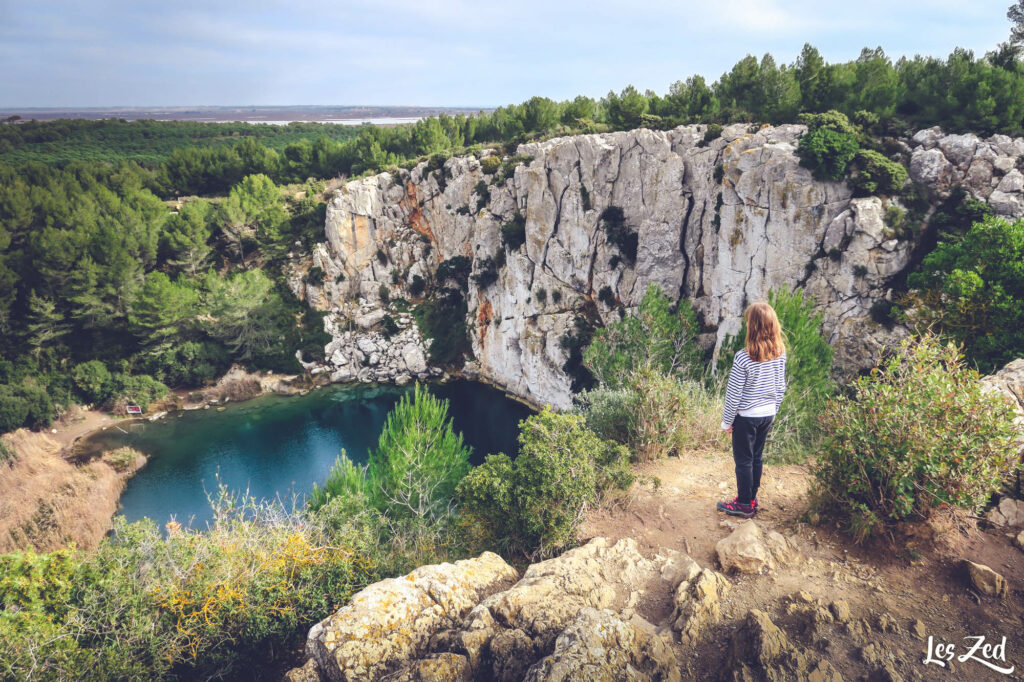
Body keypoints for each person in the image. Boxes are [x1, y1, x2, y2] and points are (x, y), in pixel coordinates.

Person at [717, 301, 787, 519]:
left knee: (744, 460)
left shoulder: (743, 357)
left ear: (752, 326)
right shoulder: (779, 352)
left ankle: (744, 504)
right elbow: (780, 386)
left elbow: (734, 394)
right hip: (767, 414)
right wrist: (774, 409)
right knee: (756, 458)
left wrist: (727, 422)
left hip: (746, 417)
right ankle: (751, 498)